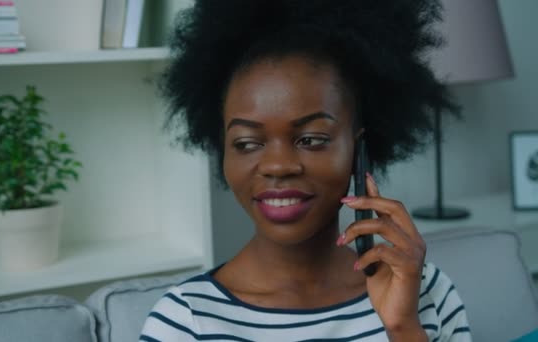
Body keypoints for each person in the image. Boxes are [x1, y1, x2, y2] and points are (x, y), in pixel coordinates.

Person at [140, 0, 471, 341]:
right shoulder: (184, 320)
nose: (278, 166)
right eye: (247, 143)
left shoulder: (426, 292)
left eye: (311, 139)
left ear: (358, 150)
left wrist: (402, 328)